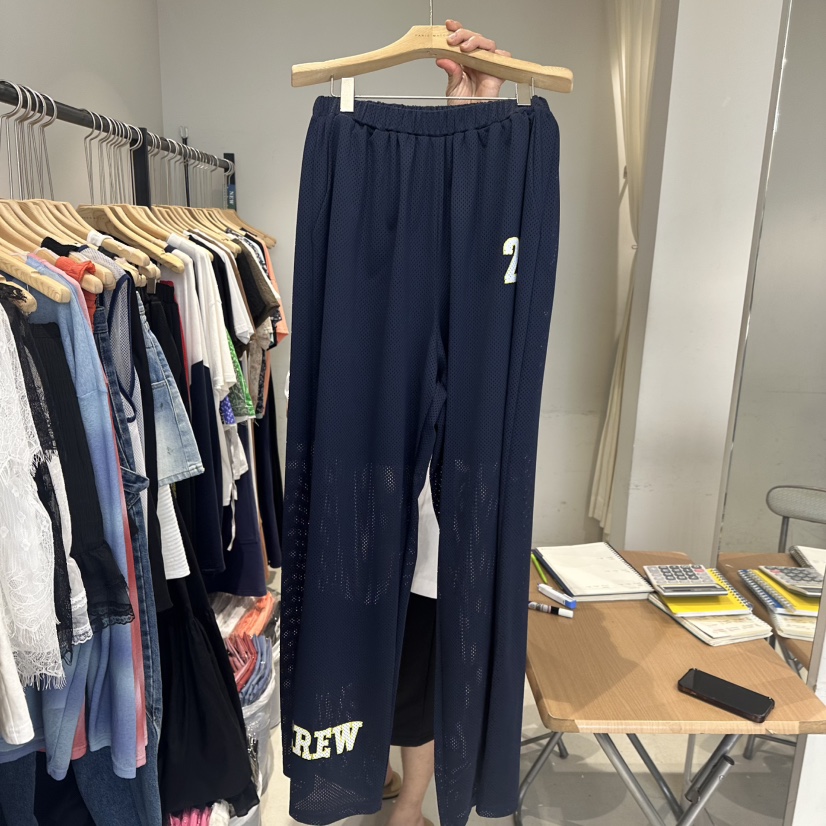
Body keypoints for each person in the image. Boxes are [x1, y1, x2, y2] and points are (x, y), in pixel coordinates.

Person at [382, 19, 511, 826]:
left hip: (433, 533)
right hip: (381, 521)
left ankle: (412, 801)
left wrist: (480, 110)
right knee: (387, 662)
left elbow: (470, 241)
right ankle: (390, 781)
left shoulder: (480, 303)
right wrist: (465, 107)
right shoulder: (393, 270)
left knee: (418, 673)